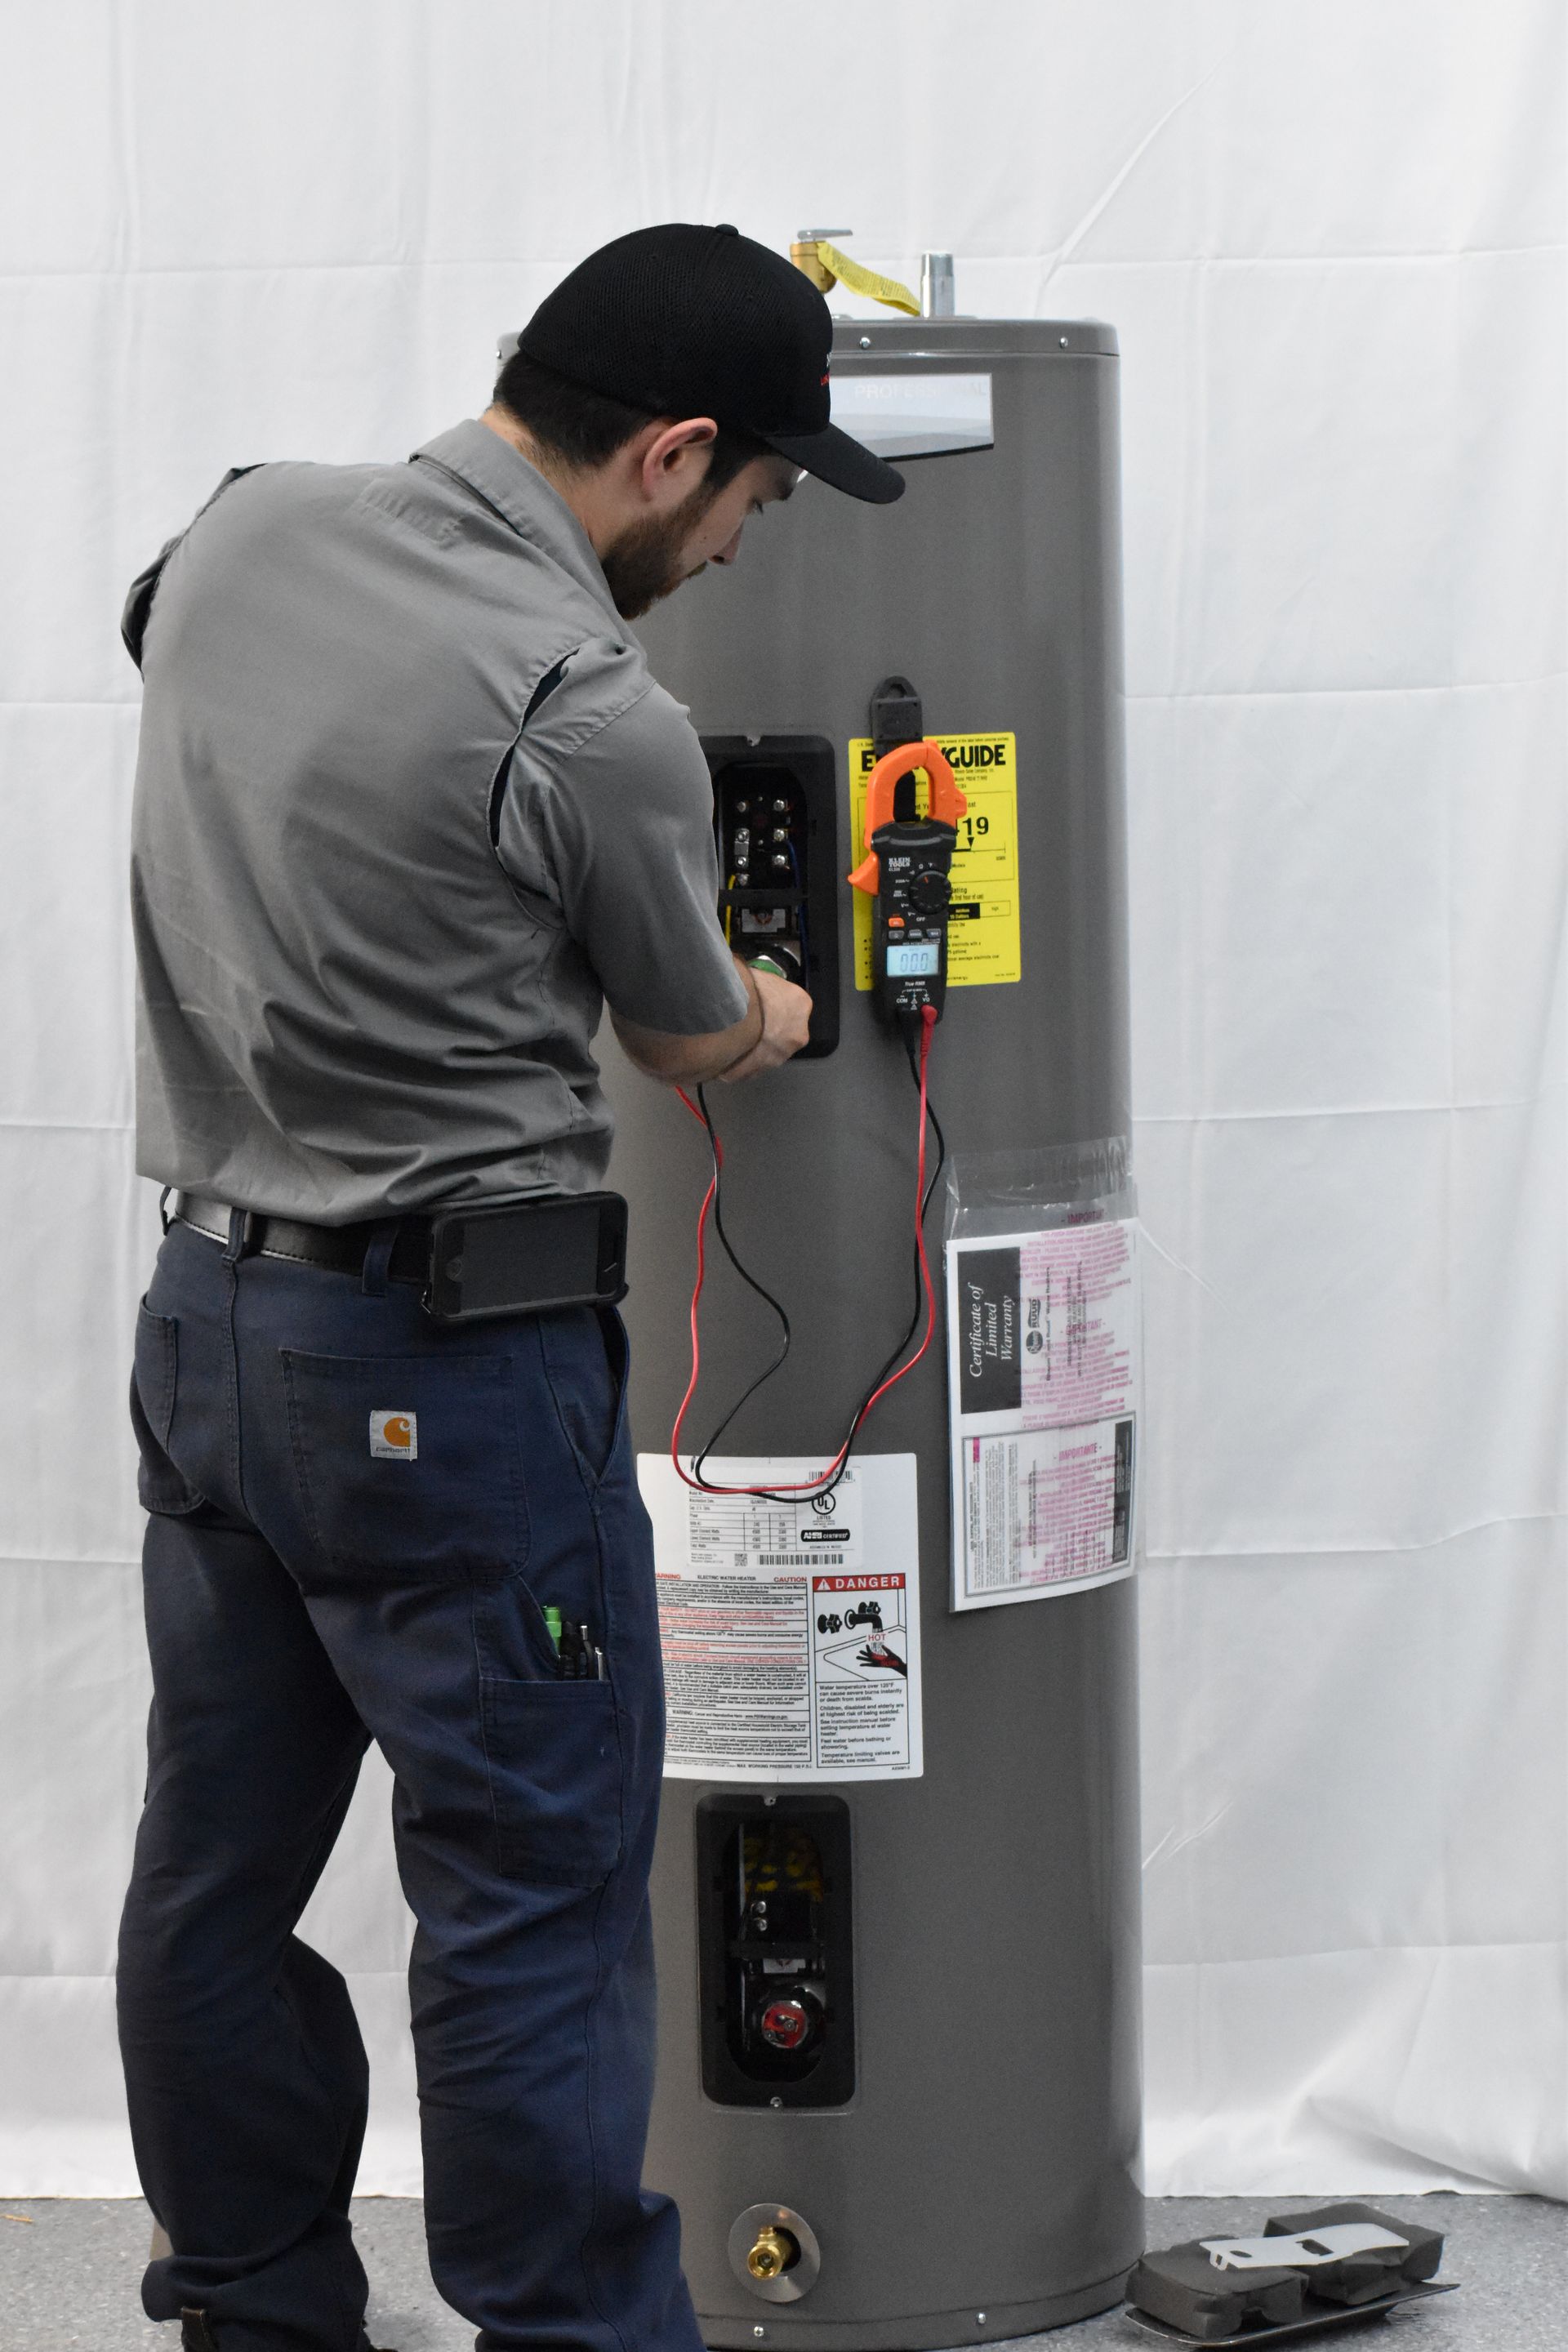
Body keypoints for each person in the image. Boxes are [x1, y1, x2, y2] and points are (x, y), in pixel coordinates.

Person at [115, 223, 904, 2352]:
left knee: (217, 1868)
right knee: (531, 1899)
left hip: (208, 1333)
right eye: (752, 495)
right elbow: (677, 1035)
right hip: (451, 1374)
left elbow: (162, 640)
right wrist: (780, 1001)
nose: (745, 542)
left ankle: (258, 2315)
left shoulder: (242, 532)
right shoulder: (590, 707)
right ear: (669, 453)